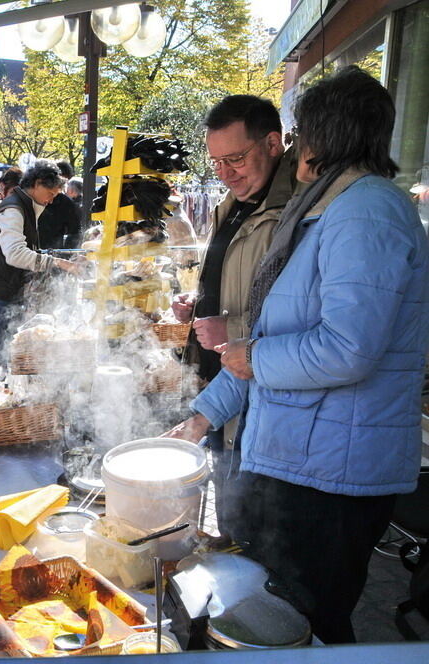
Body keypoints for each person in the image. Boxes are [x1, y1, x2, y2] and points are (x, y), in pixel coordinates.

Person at [166, 66, 429, 644]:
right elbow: (273, 333)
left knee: (310, 626)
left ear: (319, 138)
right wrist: (203, 415)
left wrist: (252, 357)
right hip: (298, 458)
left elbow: (345, 349)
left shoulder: (366, 211)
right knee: (268, 614)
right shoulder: (327, 209)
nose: (297, 147)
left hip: (333, 473)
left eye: (302, 132)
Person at [169, 94, 297, 538]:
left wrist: (232, 329)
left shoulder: (292, 213)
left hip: (257, 401)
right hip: (221, 385)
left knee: (252, 533)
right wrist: (198, 303)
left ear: (273, 143)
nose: (225, 173)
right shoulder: (233, 202)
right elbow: (231, 276)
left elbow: (293, 320)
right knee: (228, 522)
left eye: (236, 159)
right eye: (217, 162)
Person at [0, 159, 84, 367]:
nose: (52, 200)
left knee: (6, 358)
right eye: (51, 193)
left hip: (8, 291)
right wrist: (58, 263)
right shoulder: (15, 209)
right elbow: (15, 254)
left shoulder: (26, 205)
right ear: (37, 183)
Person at [36, 160, 82, 249]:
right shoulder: (33, 198)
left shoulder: (66, 203)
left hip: (53, 253)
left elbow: (75, 231)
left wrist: (66, 254)